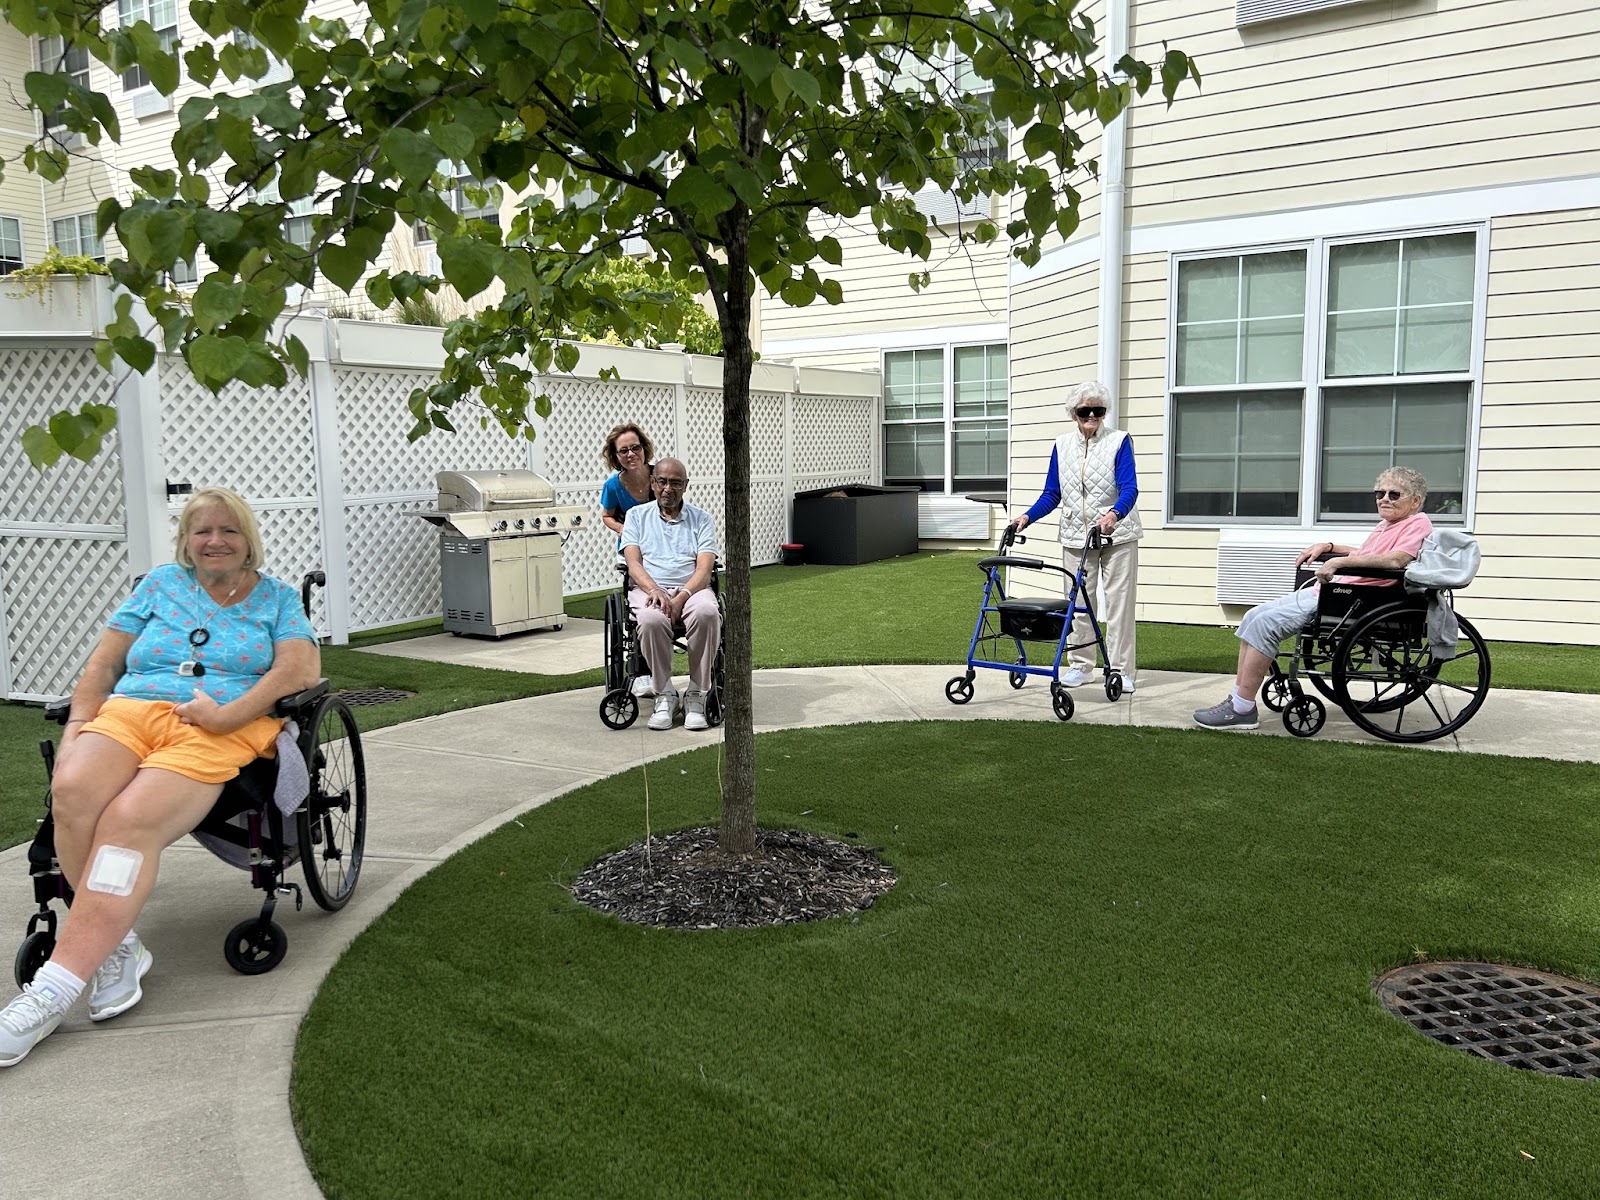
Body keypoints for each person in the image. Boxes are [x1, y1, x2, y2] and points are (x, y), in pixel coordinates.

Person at [0, 487, 320, 1067]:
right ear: (185, 541)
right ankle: (118, 946)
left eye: (228, 530)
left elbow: (300, 667)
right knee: (71, 793)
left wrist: (227, 715)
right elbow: (105, 663)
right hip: (133, 711)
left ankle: (52, 992)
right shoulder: (158, 586)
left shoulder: (273, 598)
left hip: (217, 726)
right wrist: (77, 724)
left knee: (128, 822)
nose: (215, 541)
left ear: (248, 540)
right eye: (202, 531)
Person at [1193, 466, 1433, 731]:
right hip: (1340, 592)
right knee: (1253, 616)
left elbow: (1395, 559)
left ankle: (1241, 708)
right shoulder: (1390, 524)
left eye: (1394, 493)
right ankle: (1238, 699)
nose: (1384, 498)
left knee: (1265, 625)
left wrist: (1339, 563)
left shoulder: (1417, 524)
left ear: (1415, 501)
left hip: (1354, 600)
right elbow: (1367, 553)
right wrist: (1330, 547)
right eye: (1380, 493)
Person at [1008, 381, 1143, 692]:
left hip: (1117, 535)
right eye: (1085, 411)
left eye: (1099, 410)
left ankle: (1121, 671)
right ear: (1073, 413)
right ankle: (1082, 666)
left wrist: (1114, 515)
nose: (1092, 415)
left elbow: (1130, 487)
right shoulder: (1062, 445)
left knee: (1120, 605)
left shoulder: (1119, 441)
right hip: (1074, 536)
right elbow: (1052, 493)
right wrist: (1027, 517)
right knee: (1078, 603)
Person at [619, 457, 720, 732]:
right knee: (650, 620)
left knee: (708, 612)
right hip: (650, 588)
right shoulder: (636, 517)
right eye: (662, 481)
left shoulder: (702, 519)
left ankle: (697, 693)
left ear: (686, 486)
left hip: (693, 588)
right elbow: (633, 563)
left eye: (676, 483)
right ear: (652, 483)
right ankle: (665, 693)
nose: (668, 488)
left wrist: (683, 596)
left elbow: (705, 566)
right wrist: (656, 591)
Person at [599, 423, 656, 537]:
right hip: (631, 544)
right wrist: (620, 528)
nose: (631, 454)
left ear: (643, 448)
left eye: (635, 447)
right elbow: (607, 516)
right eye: (623, 451)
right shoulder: (612, 486)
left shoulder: (660, 476)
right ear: (616, 456)